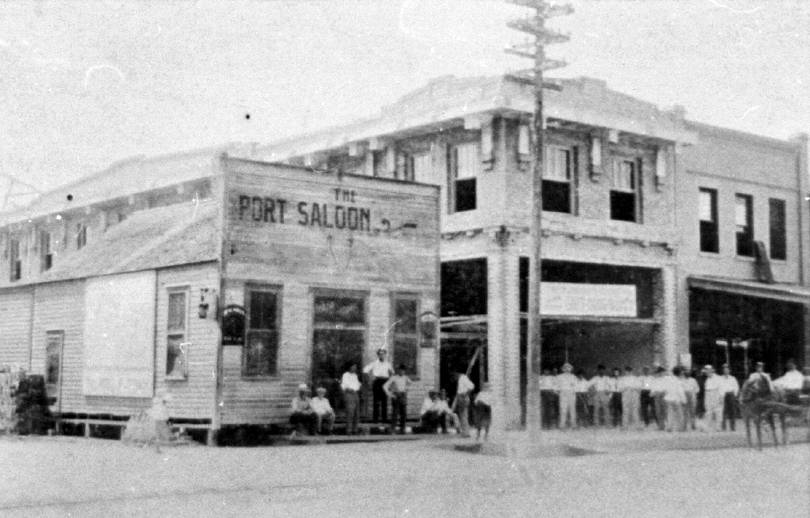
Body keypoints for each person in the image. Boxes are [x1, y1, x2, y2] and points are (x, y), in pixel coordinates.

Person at [364, 349, 394, 423]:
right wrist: (369, 380)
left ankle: (384, 419)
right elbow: (365, 370)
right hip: (377, 382)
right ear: (378, 355)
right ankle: (375, 419)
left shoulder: (388, 364)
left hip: (385, 382)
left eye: (383, 354)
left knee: (384, 401)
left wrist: (389, 382)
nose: (382, 355)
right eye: (380, 354)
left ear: (385, 355)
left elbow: (392, 373)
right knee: (376, 402)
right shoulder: (374, 363)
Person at [383, 364, 412, 434]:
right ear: (398, 370)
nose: (402, 372)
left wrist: (406, 390)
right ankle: (393, 429)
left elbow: (410, 384)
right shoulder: (394, 378)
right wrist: (391, 395)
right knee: (395, 414)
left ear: (404, 371)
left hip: (403, 396)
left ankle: (403, 429)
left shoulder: (406, 378)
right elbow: (385, 386)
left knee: (404, 413)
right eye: (400, 370)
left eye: (403, 370)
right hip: (396, 396)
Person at [661, 366, 686, 432]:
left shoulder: (668, 379)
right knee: (679, 414)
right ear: (680, 373)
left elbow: (664, 389)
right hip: (676, 399)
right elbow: (680, 392)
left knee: (670, 414)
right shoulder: (678, 381)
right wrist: (684, 400)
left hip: (668, 399)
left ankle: (669, 427)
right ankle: (681, 428)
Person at [340, 363, 361, 435]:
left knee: (356, 413)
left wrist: (358, 387)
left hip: (355, 393)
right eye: (353, 366)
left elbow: (357, 384)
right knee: (350, 412)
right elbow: (344, 385)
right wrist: (349, 389)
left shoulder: (355, 375)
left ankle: (355, 430)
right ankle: (348, 430)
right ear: (350, 367)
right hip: (349, 393)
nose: (355, 368)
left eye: (355, 367)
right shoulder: (345, 375)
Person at [453, 371, 475, 437]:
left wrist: (465, 394)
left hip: (463, 397)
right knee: (462, 415)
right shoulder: (460, 379)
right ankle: (465, 432)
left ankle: (466, 433)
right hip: (460, 397)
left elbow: (471, 386)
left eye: (455, 376)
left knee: (464, 415)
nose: (455, 378)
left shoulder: (463, 378)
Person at [556, 363, 578, 429]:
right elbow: (556, 387)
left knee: (572, 409)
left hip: (571, 393)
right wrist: (559, 393)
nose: (567, 369)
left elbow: (576, 386)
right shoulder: (559, 377)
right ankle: (562, 425)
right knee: (563, 409)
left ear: (571, 369)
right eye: (565, 368)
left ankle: (573, 425)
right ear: (563, 369)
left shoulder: (573, 377)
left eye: (569, 368)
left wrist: (573, 391)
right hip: (563, 393)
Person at [702, 365, 723, 432]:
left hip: (716, 394)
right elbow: (706, 390)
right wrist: (706, 400)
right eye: (706, 370)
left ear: (712, 370)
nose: (707, 371)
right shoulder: (707, 379)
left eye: (708, 370)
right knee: (708, 412)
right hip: (708, 394)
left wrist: (721, 397)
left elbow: (721, 388)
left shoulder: (718, 378)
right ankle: (707, 427)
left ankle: (718, 427)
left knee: (718, 411)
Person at [720, 364, 740, 431]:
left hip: (731, 395)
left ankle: (733, 427)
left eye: (727, 369)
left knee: (732, 412)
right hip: (723, 395)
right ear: (723, 370)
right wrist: (721, 396)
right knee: (723, 411)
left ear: (729, 370)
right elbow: (719, 388)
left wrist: (735, 395)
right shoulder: (720, 378)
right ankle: (723, 427)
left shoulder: (733, 378)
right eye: (724, 369)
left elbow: (736, 387)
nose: (726, 370)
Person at [651, 366, 667, 431]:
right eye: (660, 372)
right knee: (658, 411)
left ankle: (666, 425)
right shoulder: (655, 380)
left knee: (665, 411)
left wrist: (665, 392)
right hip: (657, 395)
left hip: (664, 395)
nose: (661, 374)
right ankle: (660, 426)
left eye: (662, 372)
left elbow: (668, 388)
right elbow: (652, 389)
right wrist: (653, 393)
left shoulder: (667, 379)